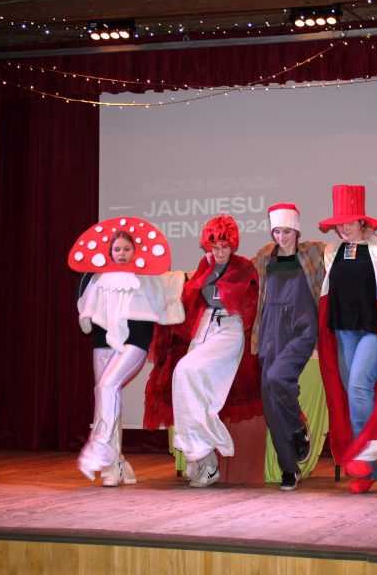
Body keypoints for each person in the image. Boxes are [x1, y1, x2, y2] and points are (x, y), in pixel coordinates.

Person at [69, 217, 185, 486]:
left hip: (135, 339)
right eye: (117, 249)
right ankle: (114, 466)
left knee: (107, 385)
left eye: (126, 249)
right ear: (110, 252)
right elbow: (86, 310)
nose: (121, 254)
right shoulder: (97, 278)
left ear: (135, 251)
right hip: (103, 340)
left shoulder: (148, 276)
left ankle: (99, 448)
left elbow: (172, 286)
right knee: (106, 396)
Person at [318, 184, 377, 494]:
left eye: (349, 222)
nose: (343, 228)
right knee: (351, 392)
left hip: (374, 331)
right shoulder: (332, 252)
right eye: (339, 223)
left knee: (358, 385)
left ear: (362, 222)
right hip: (343, 330)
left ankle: (365, 457)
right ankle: (368, 469)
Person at [169, 214, 259, 488]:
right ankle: (204, 461)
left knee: (186, 370)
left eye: (224, 247)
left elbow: (250, 303)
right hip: (205, 326)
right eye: (214, 247)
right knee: (187, 384)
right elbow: (193, 294)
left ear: (233, 244)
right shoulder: (205, 264)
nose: (219, 253)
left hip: (230, 329)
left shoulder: (244, 267)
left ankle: (204, 457)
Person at [251, 203, 325, 491]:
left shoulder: (314, 252)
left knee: (277, 377)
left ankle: (297, 426)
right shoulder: (263, 257)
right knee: (271, 402)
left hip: (302, 326)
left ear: (297, 230)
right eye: (277, 232)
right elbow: (240, 271)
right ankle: (289, 469)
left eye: (287, 232)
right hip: (270, 329)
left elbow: (344, 250)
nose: (281, 237)